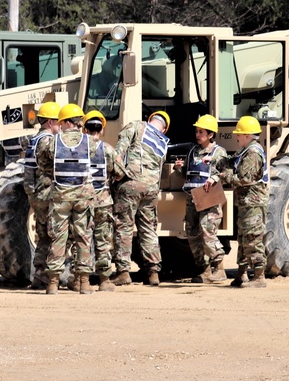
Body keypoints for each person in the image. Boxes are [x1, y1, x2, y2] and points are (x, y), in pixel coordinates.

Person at [36, 103, 96, 295]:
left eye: (62, 123)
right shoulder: (90, 142)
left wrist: (54, 173)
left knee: (58, 237)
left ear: (67, 122)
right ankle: (84, 283)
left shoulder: (53, 142)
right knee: (83, 237)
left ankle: (53, 283)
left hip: (61, 193)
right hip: (82, 194)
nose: (60, 126)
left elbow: (41, 161)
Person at [112, 110, 171, 286]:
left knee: (124, 227)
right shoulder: (163, 142)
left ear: (150, 119)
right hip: (152, 189)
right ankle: (153, 272)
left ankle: (123, 272)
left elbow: (118, 153)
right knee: (148, 229)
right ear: (164, 128)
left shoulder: (137, 126)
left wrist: (117, 175)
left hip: (131, 183)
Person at [210, 115, 268, 288]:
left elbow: (244, 179)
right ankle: (241, 274)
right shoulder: (244, 150)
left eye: (239, 134)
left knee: (253, 239)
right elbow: (231, 161)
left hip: (253, 203)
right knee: (243, 240)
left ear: (247, 135)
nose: (236, 137)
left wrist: (224, 175)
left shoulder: (253, 153)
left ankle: (259, 276)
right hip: (245, 203)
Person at [174, 114, 228, 283]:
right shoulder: (192, 151)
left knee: (207, 231)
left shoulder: (219, 152)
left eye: (201, 132)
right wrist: (179, 169)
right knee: (192, 232)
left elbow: (226, 173)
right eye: (197, 131)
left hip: (208, 198)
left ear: (210, 134)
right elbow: (188, 175)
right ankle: (203, 270)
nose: (197, 135)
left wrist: (215, 178)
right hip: (193, 197)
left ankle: (219, 268)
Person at [83, 110, 126, 292]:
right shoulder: (107, 149)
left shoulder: (77, 148)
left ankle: (81, 279)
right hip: (102, 201)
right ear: (101, 130)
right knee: (102, 241)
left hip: (82, 201)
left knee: (82, 239)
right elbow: (120, 172)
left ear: (84, 129)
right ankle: (104, 280)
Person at [21, 101, 61, 288]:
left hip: (35, 193)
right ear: (51, 122)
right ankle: (49, 276)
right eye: (59, 123)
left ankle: (39, 275)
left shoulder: (34, 139)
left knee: (43, 235)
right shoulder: (48, 141)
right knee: (55, 235)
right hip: (45, 192)